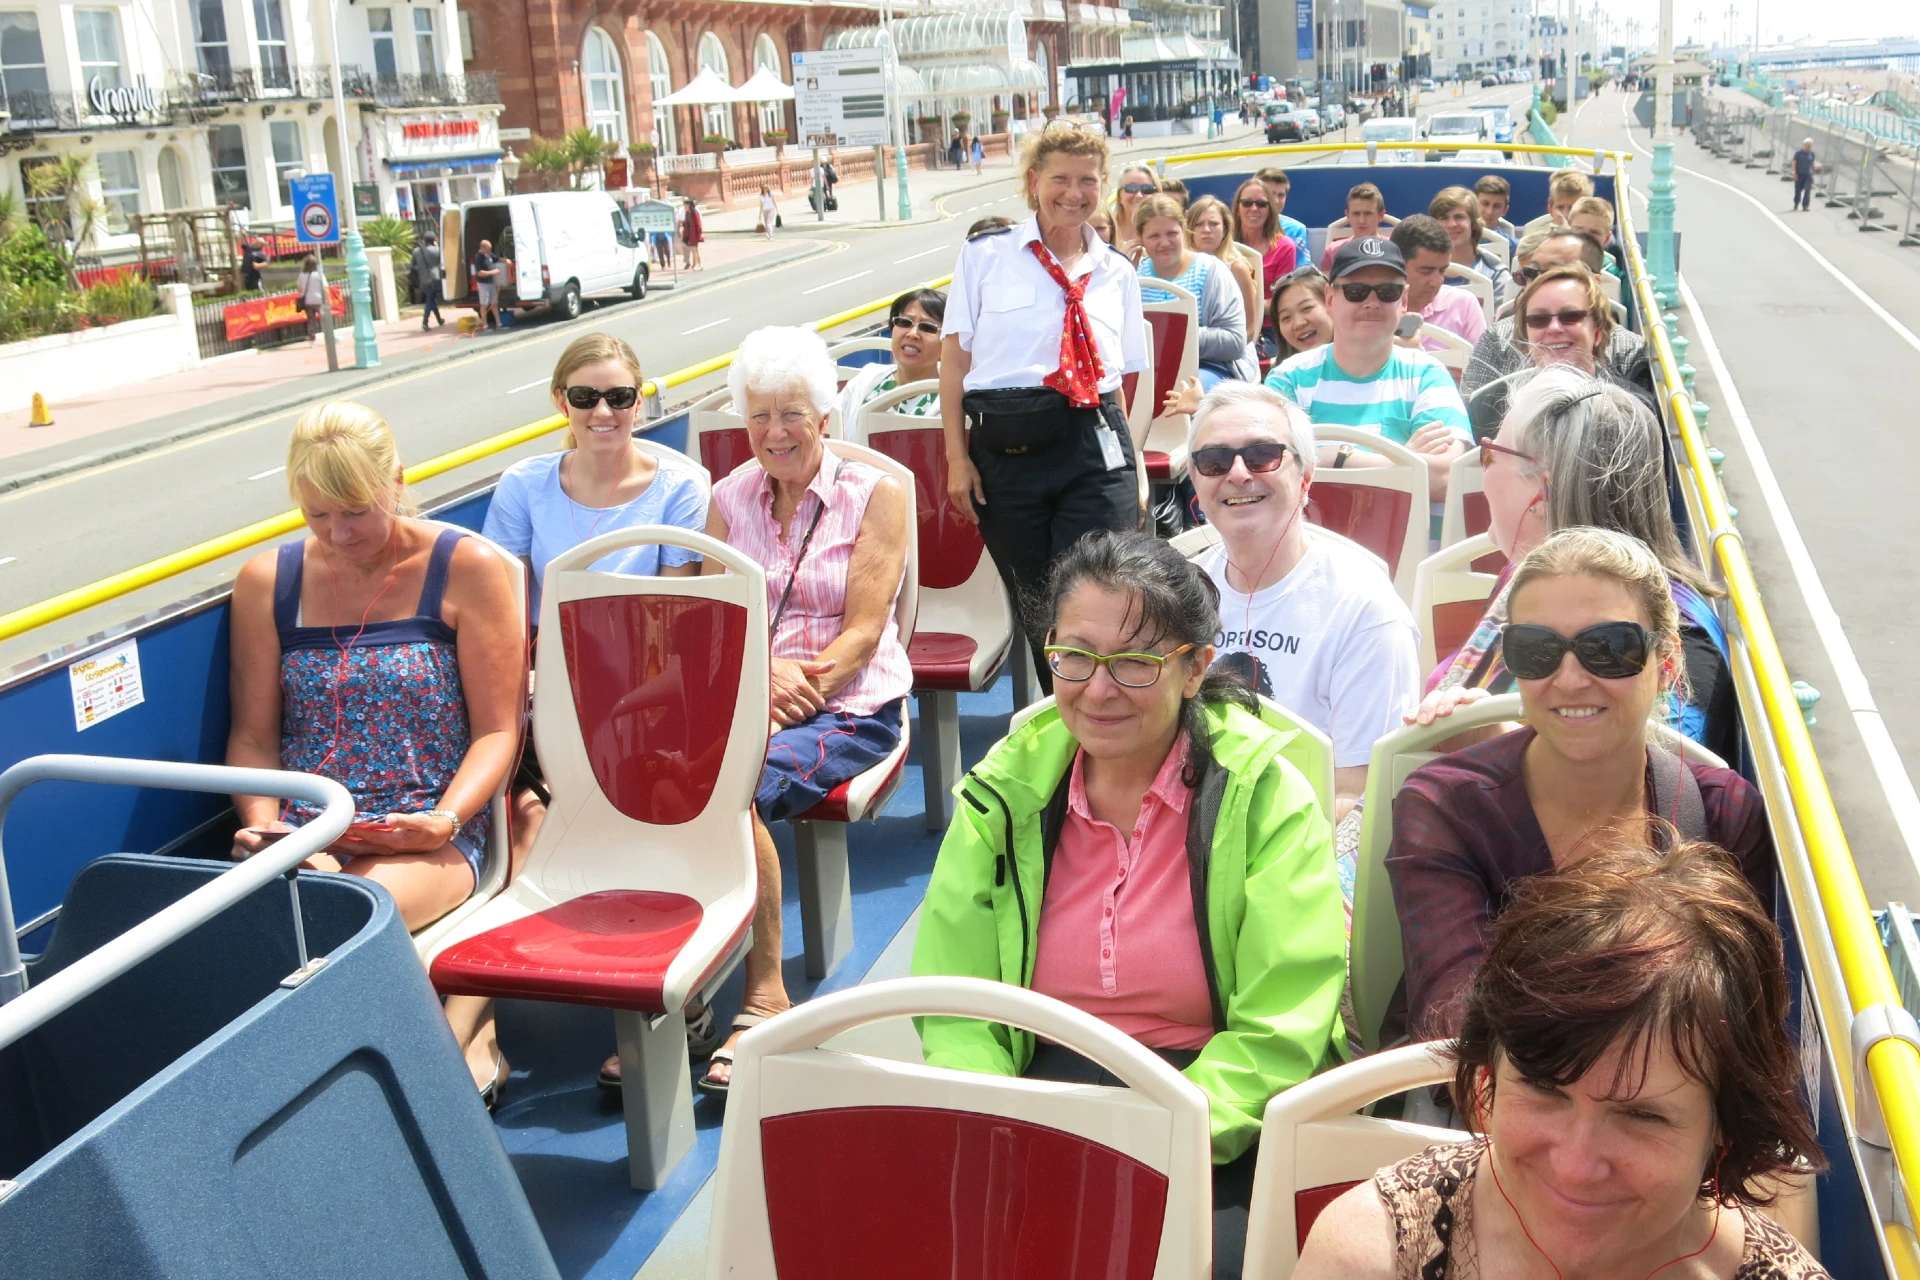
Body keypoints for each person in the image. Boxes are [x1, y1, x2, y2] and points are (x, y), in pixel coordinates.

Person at [912, 529, 1346, 1280]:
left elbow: (1284, 1024)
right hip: (1035, 1093)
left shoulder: (1264, 796)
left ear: (1194, 670)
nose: (1099, 689)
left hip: (1212, 1107)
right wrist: (1006, 1119)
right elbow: (957, 1003)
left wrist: (1164, 1131)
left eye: (1137, 663)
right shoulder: (1004, 793)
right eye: (1074, 658)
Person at [1297, 840, 1828, 1280]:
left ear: (1724, 1129)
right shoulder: (1374, 1255)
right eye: (1545, 1089)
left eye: (1642, 1116)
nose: (1575, 1167)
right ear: (1489, 1078)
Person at [226, 402, 524, 1103]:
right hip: (310, 829)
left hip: (431, 830)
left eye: (355, 511)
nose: (338, 534)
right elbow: (252, 738)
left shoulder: (465, 568)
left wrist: (445, 820)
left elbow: (498, 731)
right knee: (263, 921)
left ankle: (395, 1095)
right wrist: (267, 824)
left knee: (339, 915)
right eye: (317, 515)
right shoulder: (268, 583)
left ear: (395, 480)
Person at [1387, 525, 1772, 1044]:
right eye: (1536, 649)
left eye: (1608, 647)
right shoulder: (1446, 807)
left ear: (1667, 662)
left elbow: (1743, 1027)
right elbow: (1456, 1027)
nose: (1569, 679)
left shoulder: (1722, 814)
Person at [699, 325, 912, 1092]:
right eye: (758, 416)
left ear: (824, 416)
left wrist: (788, 692)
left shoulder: (875, 495)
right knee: (656, 787)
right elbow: (711, 624)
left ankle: (762, 992)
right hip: (749, 700)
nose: (775, 433)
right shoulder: (726, 499)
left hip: (847, 707)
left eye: (791, 413)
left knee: (728, 792)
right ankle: (686, 982)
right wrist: (755, 683)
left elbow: (862, 632)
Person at [1413, 367, 1737, 765]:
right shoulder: (1526, 578)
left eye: (1489, 455)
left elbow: (1665, 785)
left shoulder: (1674, 635)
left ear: (1543, 491)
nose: (1481, 472)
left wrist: (1496, 740)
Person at [939, 120, 1146, 690]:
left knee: (1097, 597)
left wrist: (1134, 466)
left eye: (1087, 180)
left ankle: (1104, 736)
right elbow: (954, 365)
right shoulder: (985, 257)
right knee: (1041, 613)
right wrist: (958, 458)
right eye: (1060, 178)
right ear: (1033, 182)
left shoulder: (1118, 274)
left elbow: (1117, 382)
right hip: (1008, 446)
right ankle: (1064, 742)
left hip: (1094, 442)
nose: (1073, 193)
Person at [1186, 384, 1419, 825]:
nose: (1237, 474)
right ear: (1196, 482)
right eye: (1214, 461)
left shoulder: (1365, 611)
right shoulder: (1179, 588)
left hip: (1295, 847)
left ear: (1306, 476)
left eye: (1263, 455)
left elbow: (1358, 795)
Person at [482, 332, 707, 614]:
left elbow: (673, 610)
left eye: (618, 397)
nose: (602, 412)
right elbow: (507, 605)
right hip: (547, 653)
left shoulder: (680, 489)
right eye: (584, 397)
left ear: (637, 402)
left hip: (643, 651)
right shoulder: (522, 484)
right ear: (563, 403)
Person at [1265, 237, 1470, 505]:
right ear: (1330, 298)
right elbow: (1269, 472)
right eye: (1356, 291)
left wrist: (1334, 457)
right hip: (1311, 543)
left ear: (1404, 300)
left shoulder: (1427, 374)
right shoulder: (1288, 377)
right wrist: (1402, 457)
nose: (1372, 302)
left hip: (1412, 545)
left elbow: (1447, 478)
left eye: (1387, 292)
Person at [1463, 261, 1652, 436]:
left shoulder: (1631, 412)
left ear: (1598, 331)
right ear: (1525, 335)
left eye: (1571, 316)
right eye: (1539, 319)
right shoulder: (1489, 408)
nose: (1553, 328)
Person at [1134, 194, 1255, 388]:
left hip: (1209, 366)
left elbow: (1235, 341)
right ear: (1141, 238)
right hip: (1150, 370)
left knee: (1184, 392)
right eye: (1154, 236)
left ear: (1183, 230)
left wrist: (1171, 337)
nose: (1164, 243)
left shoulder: (1210, 270)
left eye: (1171, 233)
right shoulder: (1135, 276)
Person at [839, 287, 944, 423]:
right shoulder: (865, 379)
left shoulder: (952, 402)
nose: (912, 333)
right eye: (905, 322)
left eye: (928, 327)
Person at [1390, 214, 1485, 350]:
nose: (1436, 282)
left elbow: (1483, 369)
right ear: (1397, 265)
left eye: (1442, 271)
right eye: (1426, 271)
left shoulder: (1464, 305)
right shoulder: (1373, 308)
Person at [1186, 194, 1262, 341]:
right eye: (1198, 224)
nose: (1206, 229)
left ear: (1225, 229)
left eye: (1214, 224)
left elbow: (1250, 330)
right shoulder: (1179, 268)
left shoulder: (1237, 269)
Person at [1428, 186, 1512, 305]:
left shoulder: (1495, 274)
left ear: (1473, 223)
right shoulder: (1420, 269)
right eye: (1444, 218)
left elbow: (1502, 321)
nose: (1452, 224)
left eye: (1459, 217)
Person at [1230, 176, 1298, 289]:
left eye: (1261, 204)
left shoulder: (1285, 247)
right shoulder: (1224, 243)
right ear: (1237, 208)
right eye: (1247, 203)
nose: (1254, 208)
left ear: (1270, 210)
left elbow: (1282, 296)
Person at [1267, 266, 1332, 362]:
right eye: (1286, 318)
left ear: (1331, 303)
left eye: (1307, 308)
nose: (1298, 324)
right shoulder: (1283, 375)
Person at [1318, 182, 1388, 271]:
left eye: (1368, 213)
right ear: (1347, 215)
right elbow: (1326, 283)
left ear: (1381, 215)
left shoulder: (1395, 250)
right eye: (1356, 213)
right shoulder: (1333, 251)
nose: (1361, 220)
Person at [1519, 167, 1595, 237]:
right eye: (1560, 207)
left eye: (1573, 208)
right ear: (1550, 207)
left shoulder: (1595, 243)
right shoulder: (1535, 241)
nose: (1565, 215)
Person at [1567, 194, 1625, 278]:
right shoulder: (1552, 265)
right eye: (1578, 230)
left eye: (1594, 232)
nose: (1585, 237)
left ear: (1607, 238)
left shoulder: (1615, 276)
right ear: (1567, 232)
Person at [1113, 164, 1159, 259]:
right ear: (1120, 196)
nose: (1139, 195)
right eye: (1131, 188)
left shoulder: (1167, 230)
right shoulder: (1106, 230)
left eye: (1147, 189)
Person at [1473, 174, 1515, 250]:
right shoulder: (1457, 239)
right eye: (1485, 204)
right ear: (1473, 204)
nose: (1490, 212)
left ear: (1505, 210)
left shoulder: (1511, 247)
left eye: (1497, 206)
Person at [411, 232, 444, 330]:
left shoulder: (416, 251)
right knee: (430, 300)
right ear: (433, 240)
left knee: (431, 298)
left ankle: (439, 319)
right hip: (434, 278)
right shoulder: (437, 250)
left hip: (423, 280)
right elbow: (441, 262)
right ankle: (425, 322)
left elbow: (413, 265)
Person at [295, 253, 326, 344]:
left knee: (311, 320)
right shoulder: (319, 275)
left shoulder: (301, 275)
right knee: (325, 319)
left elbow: (299, 290)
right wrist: (328, 299)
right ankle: (329, 334)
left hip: (308, 301)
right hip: (319, 299)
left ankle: (312, 339)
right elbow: (325, 288)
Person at [472, 238, 502, 329]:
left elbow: (497, 259)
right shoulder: (478, 257)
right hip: (483, 284)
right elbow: (480, 273)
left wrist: (506, 260)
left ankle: (498, 323)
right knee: (484, 305)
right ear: (483, 248)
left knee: (494, 304)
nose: (490, 250)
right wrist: (493, 272)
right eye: (488, 249)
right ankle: (485, 325)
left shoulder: (489, 254)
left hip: (491, 283)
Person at [1793, 138, 1816, 211]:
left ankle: (1805, 206)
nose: (1809, 147)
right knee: (1798, 190)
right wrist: (1794, 173)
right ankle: (1796, 203)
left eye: (1810, 146)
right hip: (1799, 174)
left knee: (1807, 190)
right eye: (1808, 145)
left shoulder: (1812, 154)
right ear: (1804, 145)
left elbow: (1812, 163)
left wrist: (1813, 171)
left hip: (1808, 175)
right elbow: (1794, 163)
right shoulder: (1798, 153)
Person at [680, 198, 704, 270]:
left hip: (694, 233)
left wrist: (700, 233)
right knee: (694, 249)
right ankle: (699, 264)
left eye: (685, 204)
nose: (684, 206)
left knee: (694, 249)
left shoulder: (694, 212)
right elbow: (685, 223)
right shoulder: (687, 213)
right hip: (689, 233)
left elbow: (698, 224)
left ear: (689, 204)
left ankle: (697, 264)